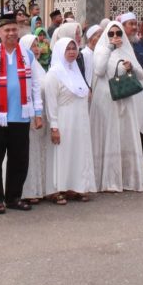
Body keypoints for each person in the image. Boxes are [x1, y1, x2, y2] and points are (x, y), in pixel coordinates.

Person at [0, 14, 43, 213]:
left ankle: (13, 197)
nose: (11, 33)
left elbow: (34, 85)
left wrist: (38, 112)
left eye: (14, 29)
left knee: (19, 159)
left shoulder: (28, 56)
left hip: (21, 116)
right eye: (6, 30)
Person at [90, 19, 143, 191]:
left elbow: (141, 75)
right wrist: (110, 47)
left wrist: (132, 66)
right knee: (109, 135)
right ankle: (107, 180)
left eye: (118, 33)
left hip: (125, 100)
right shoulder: (101, 50)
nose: (115, 36)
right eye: (111, 33)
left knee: (124, 136)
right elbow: (99, 70)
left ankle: (126, 178)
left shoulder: (127, 51)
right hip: (106, 101)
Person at [43, 38, 95, 203]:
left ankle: (76, 187)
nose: (72, 51)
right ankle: (57, 189)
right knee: (61, 154)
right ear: (60, 51)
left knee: (78, 152)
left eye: (74, 48)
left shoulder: (76, 71)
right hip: (63, 121)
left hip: (80, 122)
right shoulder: (53, 74)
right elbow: (51, 103)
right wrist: (54, 126)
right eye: (68, 49)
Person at [20, 33, 50, 203]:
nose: (37, 50)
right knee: (29, 153)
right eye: (32, 46)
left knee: (38, 152)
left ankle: (39, 188)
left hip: (40, 115)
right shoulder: (26, 67)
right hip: (30, 115)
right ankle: (28, 191)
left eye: (37, 45)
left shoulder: (37, 66)